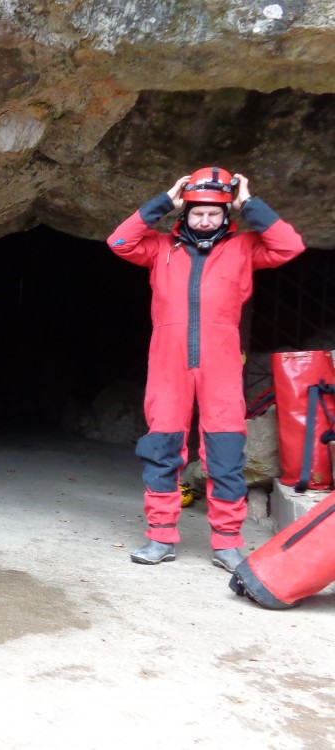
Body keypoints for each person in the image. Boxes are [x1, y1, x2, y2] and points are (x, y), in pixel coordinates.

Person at [107, 167, 305, 572]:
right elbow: (120, 241)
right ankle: (160, 537)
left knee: (225, 453)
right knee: (162, 450)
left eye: (214, 213)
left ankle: (227, 543)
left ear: (226, 214)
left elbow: (290, 246)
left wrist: (248, 203)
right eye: (197, 212)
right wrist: (165, 200)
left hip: (221, 363)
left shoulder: (244, 247)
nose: (205, 220)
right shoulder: (160, 247)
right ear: (185, 212)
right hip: (169, 363)